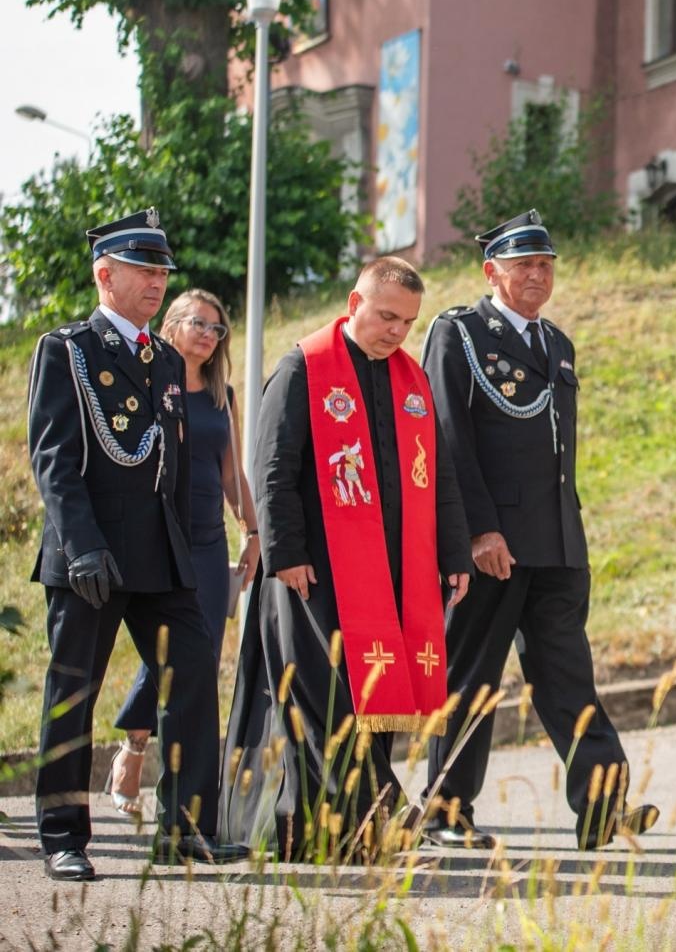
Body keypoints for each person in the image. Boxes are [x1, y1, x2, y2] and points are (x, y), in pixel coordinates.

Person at [419, 209, 658, 851]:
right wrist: (477, 532)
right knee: (471, 679)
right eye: (524, 263)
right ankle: (445, 810)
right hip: (492, 545)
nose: (537, 274)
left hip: (555, 544)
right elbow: (449, 438)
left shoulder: (557, 343)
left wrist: (569, 539)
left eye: (546, 264)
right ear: (490, 270)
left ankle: (602, 806)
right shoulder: (459, 333)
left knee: (567, 677)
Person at [222, 257, 472, 860]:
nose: (396, 331)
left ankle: (359, 831)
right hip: (315, 571)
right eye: (386, 316)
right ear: (354, 302)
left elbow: (438, 476)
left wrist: (453, 551)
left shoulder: (411, 381)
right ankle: (346, 823)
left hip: (392, 575)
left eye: (408, 322)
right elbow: (274, 467)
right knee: (323, 701)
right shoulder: (303, 369)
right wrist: (283, 552)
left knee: (378, 700)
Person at [27, 209, 249, 880]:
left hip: (161, 556)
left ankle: (186, 830)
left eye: (162, 273)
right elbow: (54, 459)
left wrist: (188, 547)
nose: (157, 282)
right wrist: (82, 546)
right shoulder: (67, 350)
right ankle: (63, 835)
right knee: (74, 694)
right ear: (106, 273)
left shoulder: (161, 358)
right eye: (144, 270)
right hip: (90, 557)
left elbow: (172, 466)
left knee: (191, 684)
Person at [105, 289, 260, 813]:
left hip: (210, 545)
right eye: (198, 323)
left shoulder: (223, 396)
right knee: (164, 653)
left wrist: (253, 531)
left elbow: (230, 472)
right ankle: (135, 743)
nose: (208, 335)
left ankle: (173, 792)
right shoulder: (151, 385)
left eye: (217, 329)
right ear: (171, 324)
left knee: (199, 658)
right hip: (159, 538)